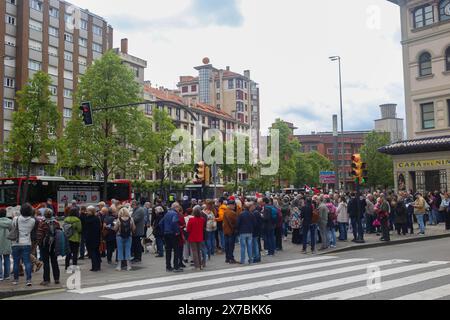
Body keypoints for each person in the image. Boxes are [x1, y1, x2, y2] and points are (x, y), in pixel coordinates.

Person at [11, 203, 36, 286]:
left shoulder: (15, 219)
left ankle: (15, 280)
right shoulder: (32, 221)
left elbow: (13, 226)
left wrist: (14, 216)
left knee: (16, 262)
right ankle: (28, 280)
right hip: (26, 243)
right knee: (27, 262)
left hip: (16, 243)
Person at [36, 209, 61, 286]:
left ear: (45, 215)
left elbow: (40, 234)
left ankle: (46, 280)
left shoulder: (42, 223)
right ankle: (56, 279)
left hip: (45, 246)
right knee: (54, 261)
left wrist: (39, 244)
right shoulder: (56, 223)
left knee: (46, 262)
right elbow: (59, 233)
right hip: (54, 245)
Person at [159, 203, 183, 273]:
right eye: (178, 208)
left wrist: (164, 231)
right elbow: (174, 222)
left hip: (166, 234)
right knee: (176, 250)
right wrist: (177, 231)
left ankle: (168, 266)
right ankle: (176, 267)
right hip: (173, 234)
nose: (179, 209)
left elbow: (160, 223)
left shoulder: (167, 213)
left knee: (168, 250)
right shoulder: (175, 214)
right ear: (176, 207)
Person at [114, 207, 135, 271]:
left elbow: (115, 229)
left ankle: (119, 266)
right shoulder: (131, 219)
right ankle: (128, 266)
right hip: (129, 236)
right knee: (128, 250)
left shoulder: (118, 220)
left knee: (120, 250)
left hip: (119, 236)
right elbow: (133, 228)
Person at [186, 206, 205, 271]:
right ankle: (201, 265)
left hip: (192, 237)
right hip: (200, 236)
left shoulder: (191, 220)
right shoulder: (202, 219)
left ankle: (197, 266)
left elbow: (188, 229)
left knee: (194, 252)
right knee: (199, 251)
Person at [63, 207, 82, 273]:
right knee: (75, 253)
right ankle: (74, 267)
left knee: (68, 253)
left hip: (67, 238)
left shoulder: (66, 219)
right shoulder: (77, 220)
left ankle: (66, 267)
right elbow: (80, 229)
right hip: (75, 238)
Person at [84, 206, 102, 272]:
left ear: (91, 211)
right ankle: (98, 266)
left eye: (88, 211)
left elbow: (85, 228)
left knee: (92, 252)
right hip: (96, 237)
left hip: (90, 238)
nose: (86, 212)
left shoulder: (88, 219)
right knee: (97, 252)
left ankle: (94, 267)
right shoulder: (97, 218)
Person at [0, 208, 12, 281]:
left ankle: (0, 275)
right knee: (7, 258)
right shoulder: (10, 222)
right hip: (7, 242)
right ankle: (7, 275)